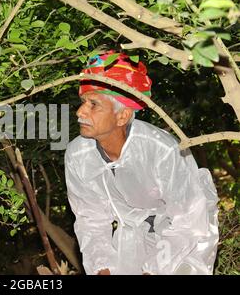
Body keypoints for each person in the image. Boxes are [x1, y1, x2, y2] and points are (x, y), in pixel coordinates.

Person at [64, 51, 219, 275]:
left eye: (93, 105)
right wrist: (102, 269)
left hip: (188, 233)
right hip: (135, 234)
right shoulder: (77, 155)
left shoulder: (162, 150)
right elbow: (91, 219)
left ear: (122, 116)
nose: (80, 112)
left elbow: (189, 220)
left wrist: (153, 271)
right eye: (83, 102)